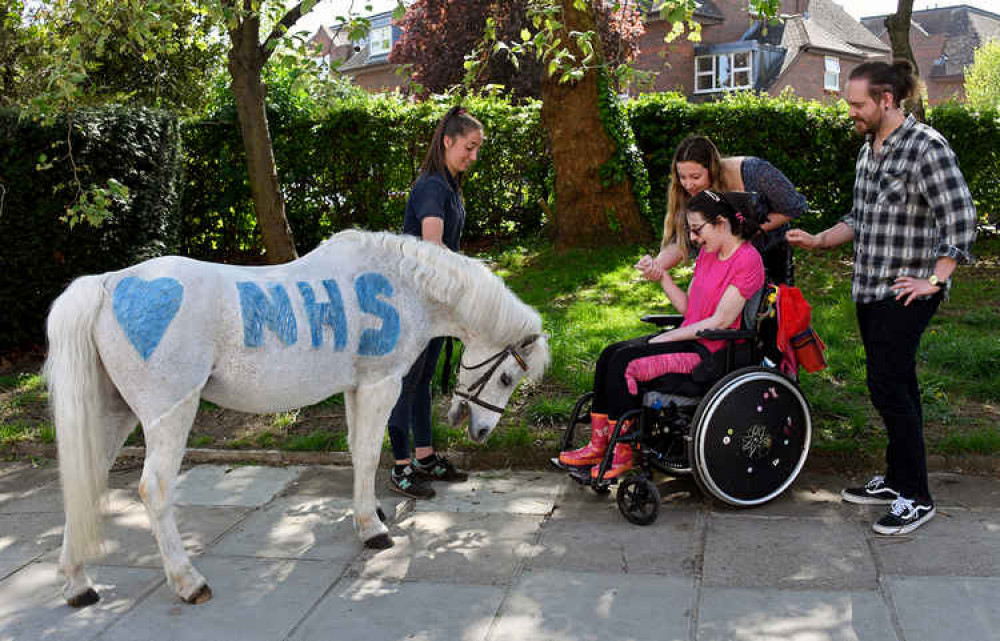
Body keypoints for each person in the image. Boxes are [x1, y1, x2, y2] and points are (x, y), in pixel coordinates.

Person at [787, 61, 977, 535]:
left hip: (906, 291)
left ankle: (917, 496)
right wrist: (819, 240)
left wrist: (934, 281)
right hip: (869, 286)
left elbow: (961, 218)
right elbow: (860, 217)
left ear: (886, 100)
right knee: (894, 385)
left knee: (888, 386)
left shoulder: (926, 149)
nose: (849, 112)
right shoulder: (868, 151)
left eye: (857, 104)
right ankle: (896, 479)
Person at [559, 190, 765, 479]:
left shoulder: (747, 260)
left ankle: (623, 453)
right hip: (690, 340)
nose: (693, 238)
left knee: (625, 364)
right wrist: (663, 278)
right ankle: (599, 444)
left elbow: (721, 320)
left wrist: (668, 338)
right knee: (610, 354)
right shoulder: (708, 255)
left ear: (720, 223)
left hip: (711, 356)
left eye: (697, 230)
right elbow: (689, 308)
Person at [387, 106, 484, 499]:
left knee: (424, 381)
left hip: (435, 301)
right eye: (469, 146)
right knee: (407, 382)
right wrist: (472, 271)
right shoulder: (432, 186)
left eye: (477, 149)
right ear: (448, 141)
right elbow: (431, 246)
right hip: (417, 301)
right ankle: (400, 467)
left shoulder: (449, 185)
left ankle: (424, 457)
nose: (473, 156)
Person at [638, 135, 807, 286]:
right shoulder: (687, 192)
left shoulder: (756, 172)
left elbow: (793, 207)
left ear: (712, 169)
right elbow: (682, 240)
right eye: (683, 177)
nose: (688, 184)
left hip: (772, 255)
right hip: (724, 264)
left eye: (696, 177)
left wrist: (747, 230)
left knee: (780, 315)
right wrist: (655, 266)